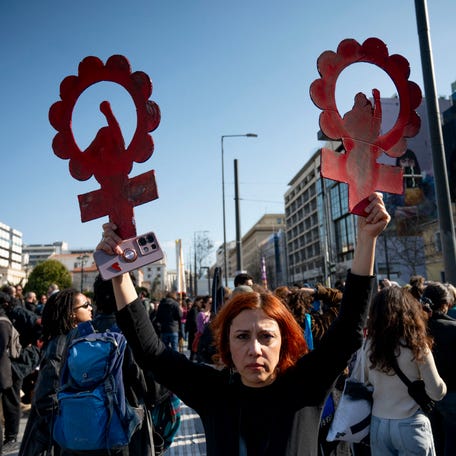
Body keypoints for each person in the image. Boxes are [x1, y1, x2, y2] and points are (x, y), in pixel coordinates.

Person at [97, 192, 389, 455]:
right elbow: (150, 351)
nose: (255, 349)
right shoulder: (213, 391)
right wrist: (119, 274)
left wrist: (366, 239)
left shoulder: (305, 385)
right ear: (226, 343)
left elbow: (349, 328)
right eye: (241, 337)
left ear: (284, 340)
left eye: (266, 337)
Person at [362, 285, 447, 456]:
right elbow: (436, 392)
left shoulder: (369, 345)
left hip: (379, 423)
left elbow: (366, 381)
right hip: (411, 423)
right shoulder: (416, 345)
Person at [19, 288, 93, 456]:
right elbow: (47, 398)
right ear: (71, 314)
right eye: (85, 305)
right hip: (51, 440)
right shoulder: (60, 344)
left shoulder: (69, 339)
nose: (90, 308)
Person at [421, 282, 456, 456]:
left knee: (435, 442)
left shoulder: (418, 329)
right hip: (452, 394)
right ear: (445, 304)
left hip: (427, 395)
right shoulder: (453, 328)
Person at [0, 292, 17, 454]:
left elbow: (1, 347)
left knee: (8, 405)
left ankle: (10, 437)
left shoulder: (3, 322)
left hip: (3, 371)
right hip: (4, 370)